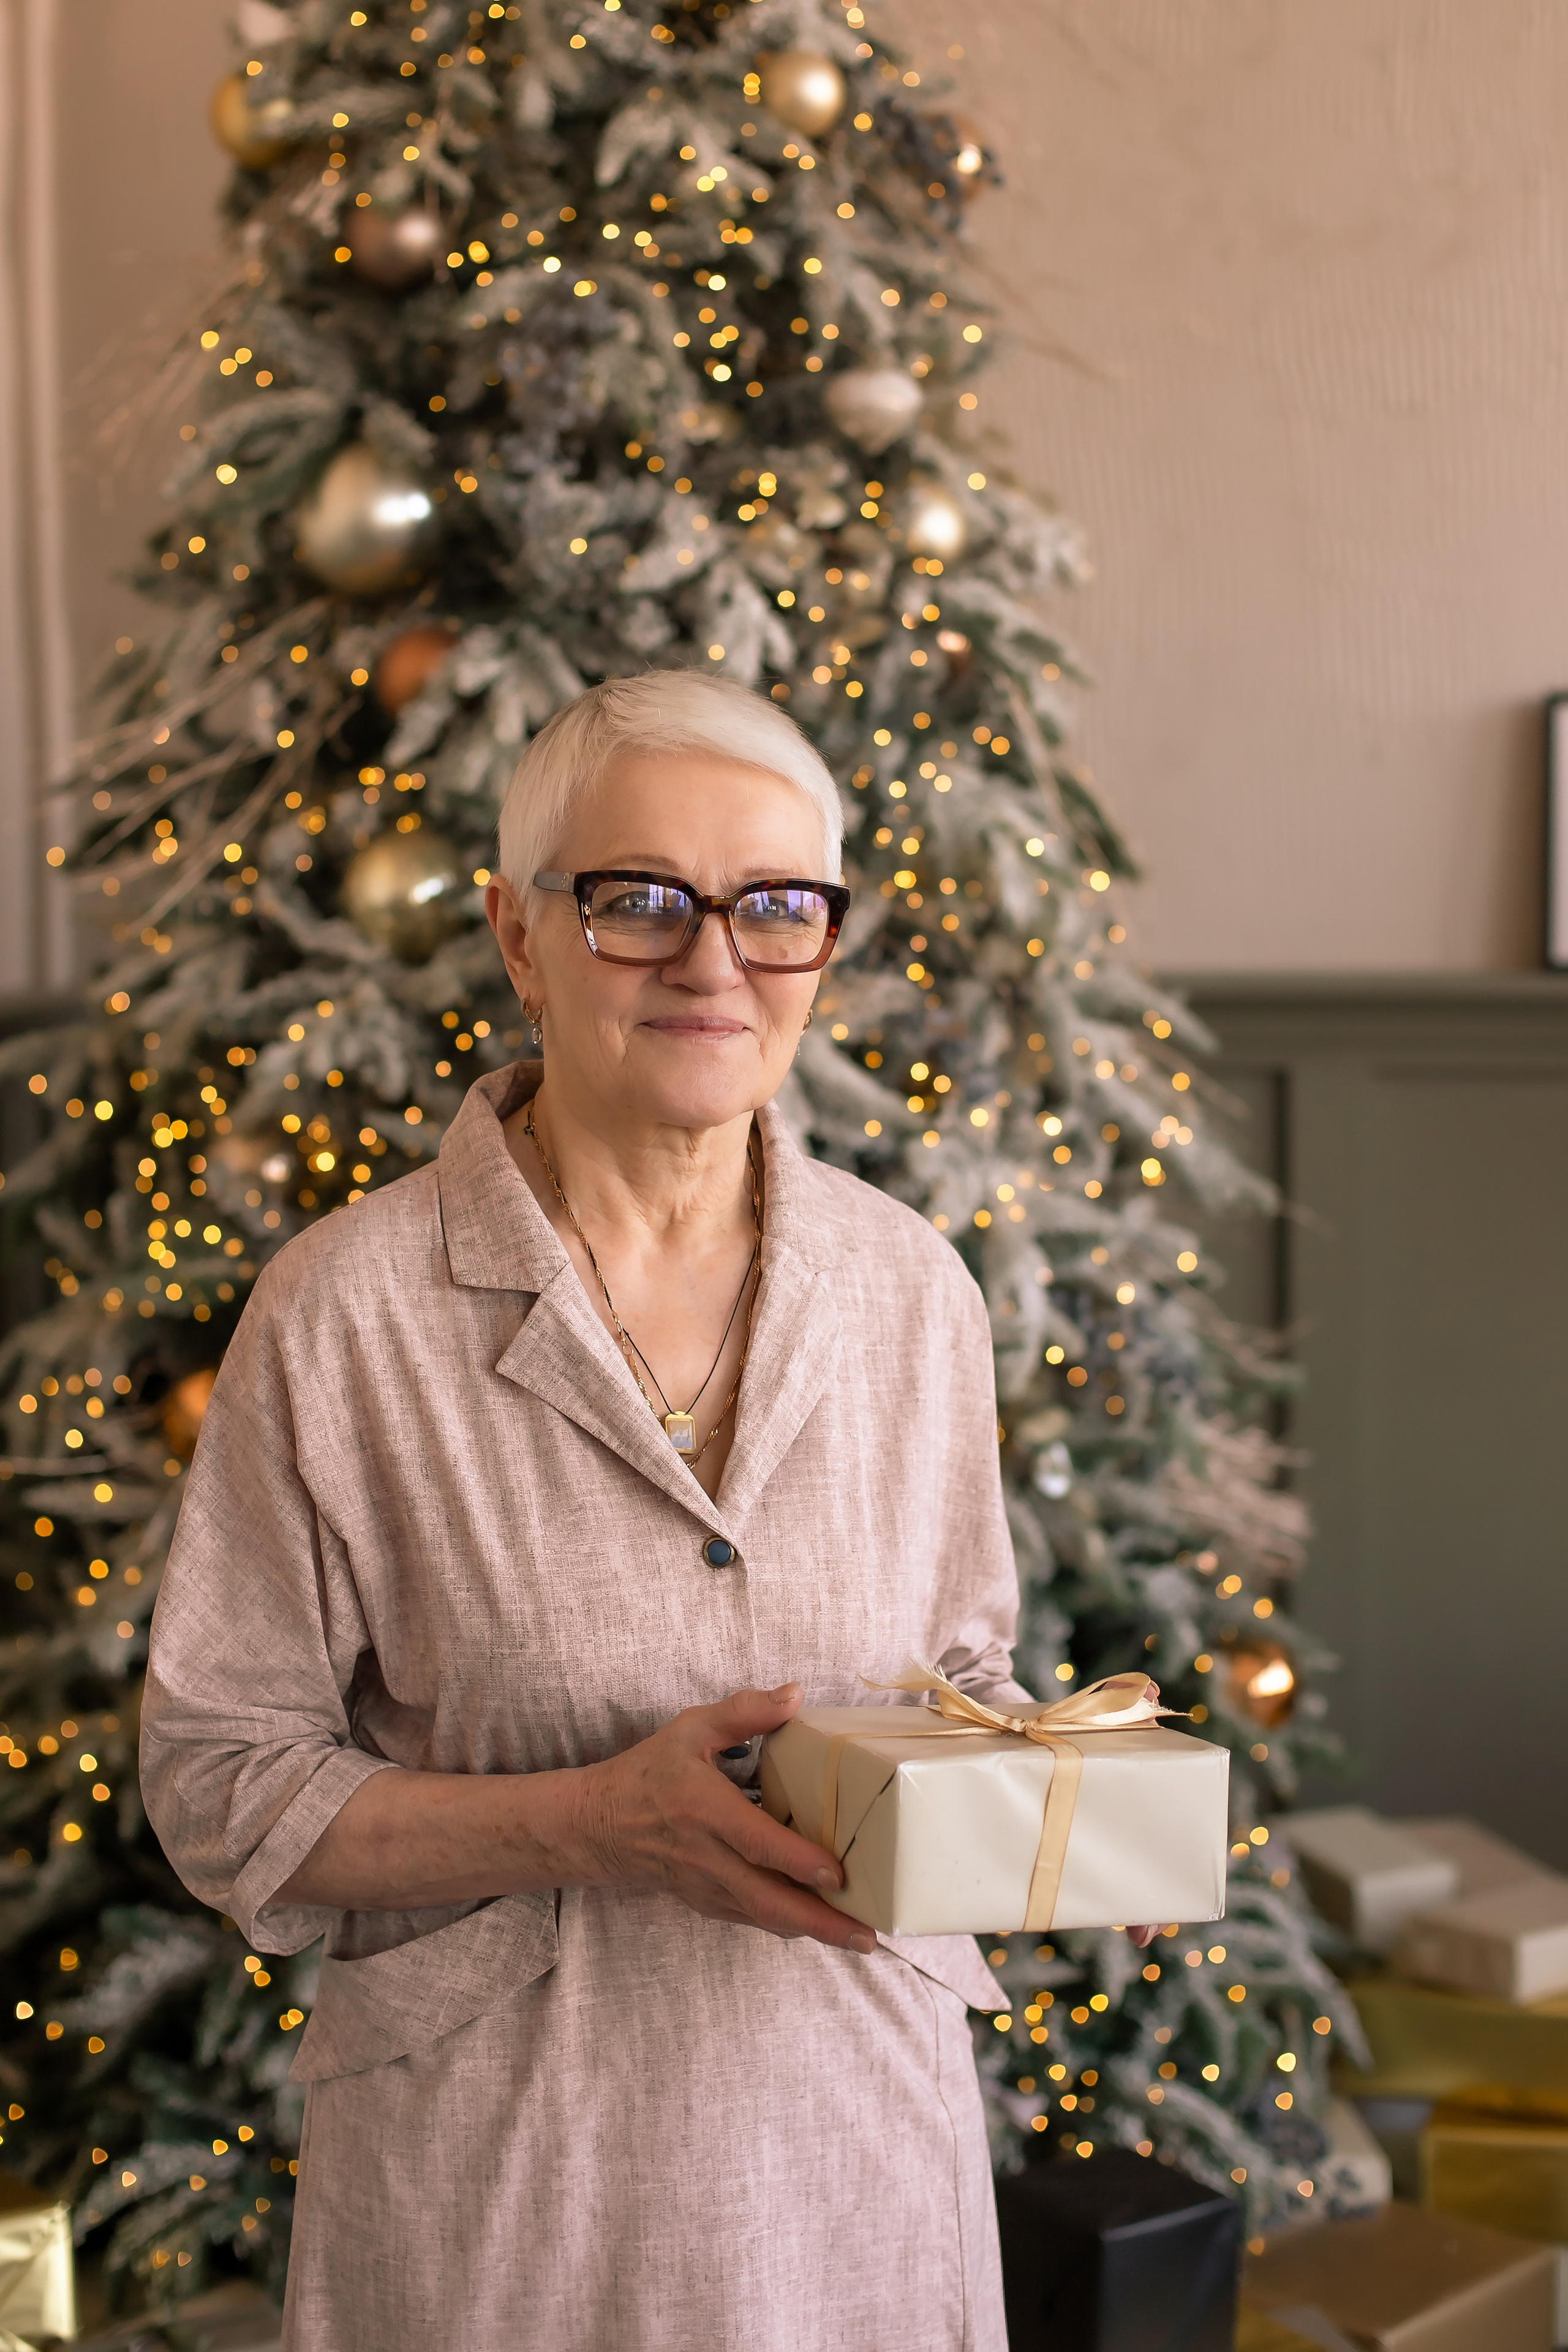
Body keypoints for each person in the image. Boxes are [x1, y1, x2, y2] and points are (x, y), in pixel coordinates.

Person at [141, 672, 1050, 2351]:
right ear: (516, 935)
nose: (715, 963)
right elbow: (219, 1782)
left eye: (775, 907)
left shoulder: (916, 1294)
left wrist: (1044, 1802)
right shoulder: (344, 1311)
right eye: (640, 903)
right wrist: (588, 1826)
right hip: (501, 2196)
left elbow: (959, 1668)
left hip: (855, 2170)